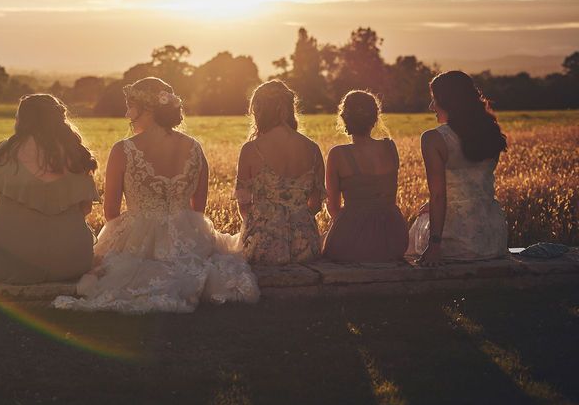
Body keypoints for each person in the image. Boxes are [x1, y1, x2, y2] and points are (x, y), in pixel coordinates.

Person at [54, 78, 259, 313]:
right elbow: (198, 208)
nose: (127, 114)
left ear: (147, 110)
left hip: (136, 235)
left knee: (107, 273)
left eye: (131, 107)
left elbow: (111, 212)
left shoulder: (123, 149)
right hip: (187, 234)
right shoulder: (194, 148)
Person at [0, 94, 99, 284]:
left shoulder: (3, 152)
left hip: (6, 262)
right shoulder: (77, 155)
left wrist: (7, 226)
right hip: (71, 260)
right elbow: (85, 209)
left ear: (23, 120)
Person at [407, 71, 509, 265]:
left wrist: (434, 245)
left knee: (414, 235)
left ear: (446, 101)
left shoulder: (433, 138)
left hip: (456, 240)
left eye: (434, 99)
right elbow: (473, 184)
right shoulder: (490, 132)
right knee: (428, 212)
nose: (431, 106)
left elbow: (438, 196)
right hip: (493, 237)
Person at [234, 80, 325, 265]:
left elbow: (243, 206)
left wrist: (267, 222)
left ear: (259, 110)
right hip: (306, 243)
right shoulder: (313, 149)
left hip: (263, 243)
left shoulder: (251, 149)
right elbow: (315, 206)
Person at [321, 91, 409, 262]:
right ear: (375, 119)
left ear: (344, 119)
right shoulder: (390, 147)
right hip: (394, 237)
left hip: (352, 237)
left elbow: (333, 208)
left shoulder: (337, 154)